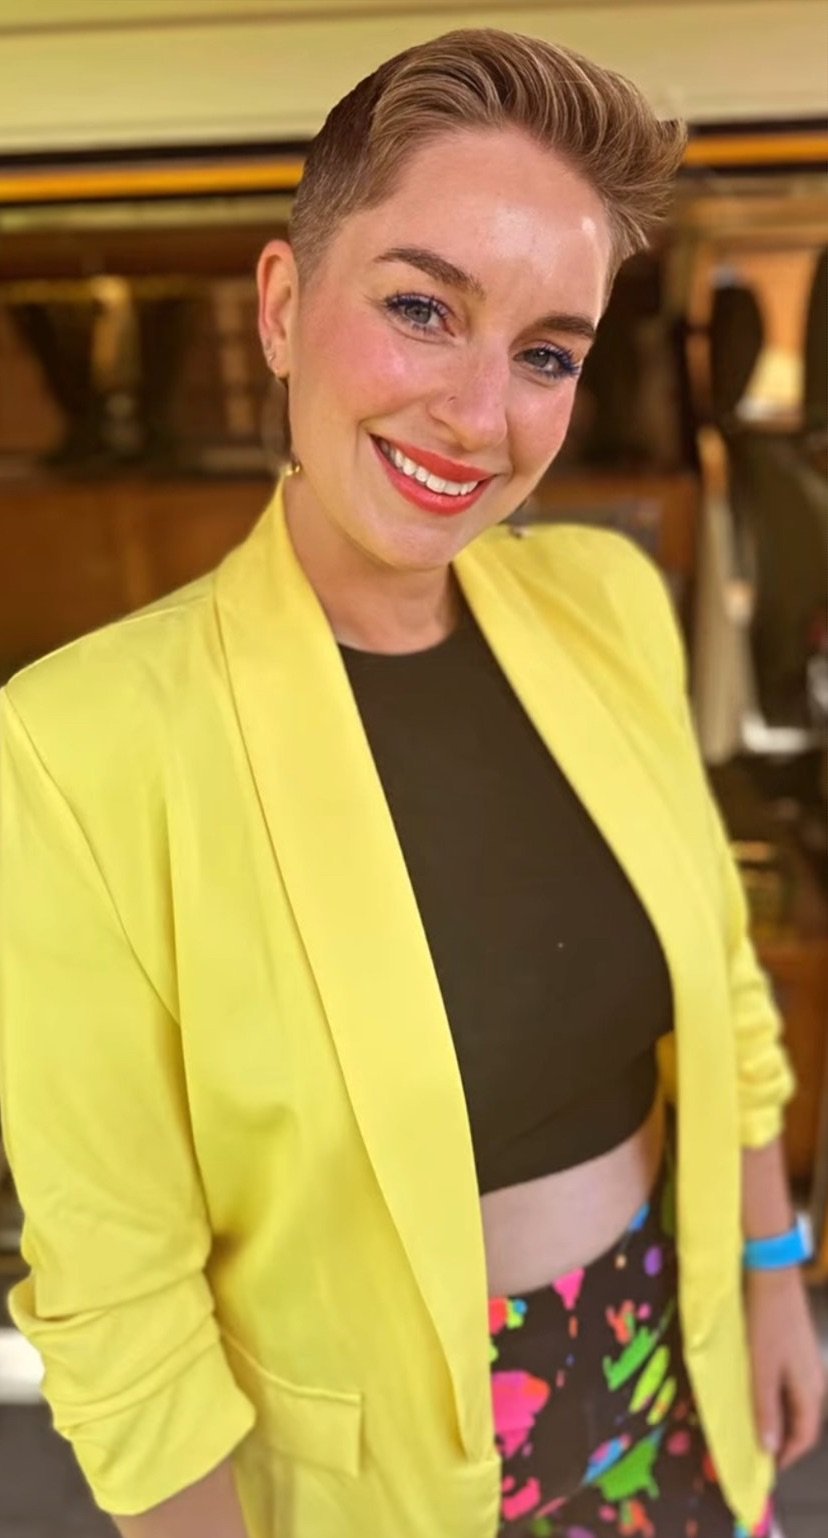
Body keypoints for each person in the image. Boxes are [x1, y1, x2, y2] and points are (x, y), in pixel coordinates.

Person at [0, 28, 824, 1538]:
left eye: (547, 352)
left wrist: (774, 1275)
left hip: (676, 1377)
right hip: (385, 1492)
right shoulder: (78, 747)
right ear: (283, 304)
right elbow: (123, 1302)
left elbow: (720, 979)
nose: (477, 413)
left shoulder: (608, 602)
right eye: (421, 307)